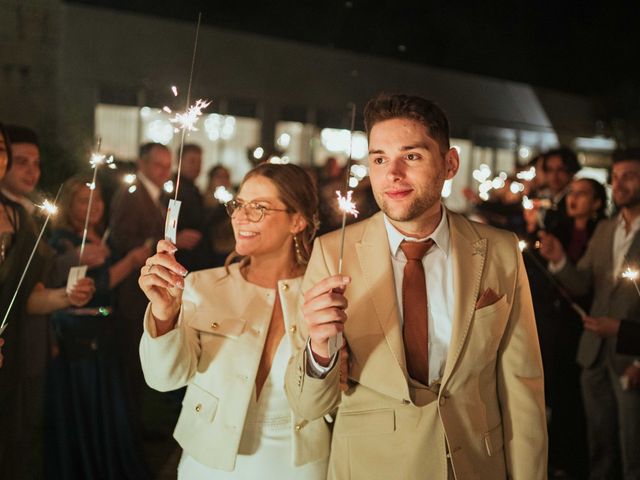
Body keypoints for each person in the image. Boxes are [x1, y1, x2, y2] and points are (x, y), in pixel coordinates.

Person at [285, 93, 547, 480]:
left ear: (449, 163)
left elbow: (521, 384)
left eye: (411, 156)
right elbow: (307, 407)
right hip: (373, 466)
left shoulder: (500, 250)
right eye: (378, 159)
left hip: (474, 464)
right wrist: (320, 351)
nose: (392, 174)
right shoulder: (332, 252)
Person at [139, 162, 329, 478]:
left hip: (297, 465)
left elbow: (330, 396)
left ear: (297, 220)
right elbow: (163, 380)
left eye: (259, 208)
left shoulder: (323, 294)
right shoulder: (203, 286)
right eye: (238, 204)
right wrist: (163, 313)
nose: (240, 217)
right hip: (209, 462)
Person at [0, 123, 95, 480]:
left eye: (35, 163)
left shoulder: (23, 216)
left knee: (18, 445)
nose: (30, 170)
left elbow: (27, 297)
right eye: (18, 159)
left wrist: (64, 296)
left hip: (20, 351)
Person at [539, 148, 640, 480]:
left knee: (632, 449)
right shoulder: (607, 230)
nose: (620, 183)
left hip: (631, 357)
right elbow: (582, 281)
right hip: (593, 353)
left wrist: (626, 336)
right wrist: (558, 260)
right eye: (616, 176)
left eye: (630, 176)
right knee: (599, 444)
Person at [45, 175, 151, 480]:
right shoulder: (64, 241)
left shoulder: (102, 237)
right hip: (79, 336)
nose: (94, 206)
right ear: (69, 205)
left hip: (106, 330)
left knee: (111, 405)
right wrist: (131, 261)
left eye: (98, 199)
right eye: (83, 200)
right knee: (86, 406)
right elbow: (96, 287)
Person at [173, 143, 208, 272]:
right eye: (192, 161)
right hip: (181, 258)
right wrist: (175, 238)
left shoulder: (193, 188)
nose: (197, 166)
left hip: (195, 256)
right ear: (179, 162)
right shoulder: (174, 189)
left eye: (199, 162)